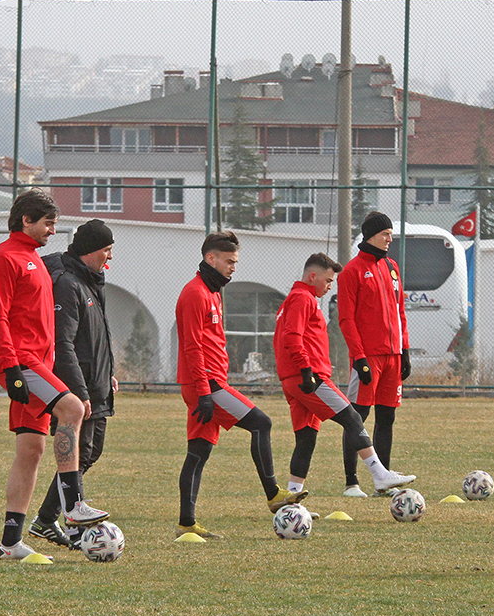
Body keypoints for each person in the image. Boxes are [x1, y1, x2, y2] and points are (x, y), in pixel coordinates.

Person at [0, 189, 109, 562]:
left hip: (37, 363)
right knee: (73, 410)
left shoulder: (33, 259)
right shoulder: (4, 258)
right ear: (26, 220)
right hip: (22, 363)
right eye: (48, 223)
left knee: (31, 451)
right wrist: (10, 368)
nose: (53, 230)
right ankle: (73, 506)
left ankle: (10, 543)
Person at [174, 230, 304, 539]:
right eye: (229, 261)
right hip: (205, 385)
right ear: (211, 258)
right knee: (261, 423)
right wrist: (205, 393)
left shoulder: (212, 290)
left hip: (210, 383)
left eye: (235, 261)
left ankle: (186, 523)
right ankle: (273, 494)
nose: (234, 267)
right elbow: (192, 347)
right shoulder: (194, 293)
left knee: (198, 452)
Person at [273, 252, 416, 500]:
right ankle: (380, 475)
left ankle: (291, 497)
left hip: (294, 379)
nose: (330, 287)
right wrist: (306, 369)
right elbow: (291, 337)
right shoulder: (301, 298)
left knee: (306, 438)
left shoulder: (297, 299)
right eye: (328, 281)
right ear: (313, 276)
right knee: (352, 417)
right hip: (308, 378)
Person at [28, 219, 118, 551]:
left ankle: (49, 517)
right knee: (80, 454)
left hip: (96, 381)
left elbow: (96, 335)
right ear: (92, 251)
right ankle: (66, 518)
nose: (109, 258)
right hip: (79, 387)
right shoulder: (66, 284)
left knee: (90, 452)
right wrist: (78, 392)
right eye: (106, 250)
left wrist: (107, 373)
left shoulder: (93, 280)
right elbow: (63, 343)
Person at [338, 211, 413, 497]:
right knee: (356, 418)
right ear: (370, 235)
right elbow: (346, 319)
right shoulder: (352, 271)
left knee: (387, 418)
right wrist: (358, 357)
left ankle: (384, 481)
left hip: (393, 356)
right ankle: (351, 482)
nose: (389, 239)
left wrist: (404, 349)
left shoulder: (392, 267)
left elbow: (400, 312)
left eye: (391, 234)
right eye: (385, 234)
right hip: (368, 357)